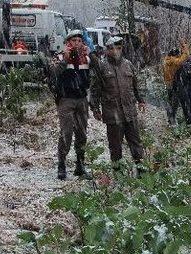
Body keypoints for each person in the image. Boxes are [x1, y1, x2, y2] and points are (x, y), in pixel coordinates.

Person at [90, 36, 146, 174]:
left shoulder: (128, 65)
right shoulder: (102, 67)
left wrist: (141, 100)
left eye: (119, 48)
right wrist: (95, 108)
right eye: (112, 48)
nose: (116, 51)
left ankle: (142, 172)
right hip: (112, 113)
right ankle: (118, 174)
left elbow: (136, 85)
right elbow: (95, 89)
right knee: (115, 147)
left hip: (130, 112)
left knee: (136, 144)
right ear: (108, 50)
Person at [48, 29, 91, 180]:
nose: (77, 43)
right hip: (66, 100)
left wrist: (90, 54)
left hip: (82, 100)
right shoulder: (59, 55)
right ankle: (62, 165)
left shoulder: (86, 57)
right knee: (66, 133)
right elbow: (52, 72)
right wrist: (65, 59)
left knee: (82, 134)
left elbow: (98, 71)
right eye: (74, 41)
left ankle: (80, 165)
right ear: (68, 42)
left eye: (79, 41)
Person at [162, 40, 190, 125]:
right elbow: (184, 58)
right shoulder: (174, 61)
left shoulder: (167, 59)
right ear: (175, 55)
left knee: (171, 101)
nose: (179, 56)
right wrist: (185, 47)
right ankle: (173, 119)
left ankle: (171, 118)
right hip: (174, 83)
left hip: (168, 83)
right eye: (178, 55)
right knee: (176, 101)